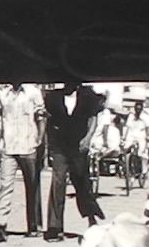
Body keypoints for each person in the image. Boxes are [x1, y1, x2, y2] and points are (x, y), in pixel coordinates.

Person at [44, 83, 105, 235]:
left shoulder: (87, 96)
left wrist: (88, 138)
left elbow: (93, 119)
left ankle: (91, 217)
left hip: (79, 146)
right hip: (60, 146)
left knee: (81, 182)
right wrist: (50, 143)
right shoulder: (54, 97)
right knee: (58, 182)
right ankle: (54, 226)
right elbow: (48, 121)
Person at [0, 85, 47, 236]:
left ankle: (34, 226)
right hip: (8, 146)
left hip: (28, 145)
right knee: (5, 186)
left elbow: (41, 116)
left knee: (32, 187)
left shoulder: (33, 91)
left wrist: (40, 138)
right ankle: (0, 224)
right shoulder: (2, 93)